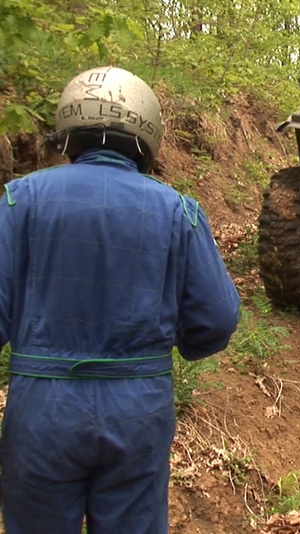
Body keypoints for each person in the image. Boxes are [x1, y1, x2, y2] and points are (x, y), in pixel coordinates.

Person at [0, 66, 241, 533]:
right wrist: (182, 344)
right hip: (138, 406)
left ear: (68, 129)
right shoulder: (177, 211)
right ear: (147, 134)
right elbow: (218, 317)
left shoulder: (20, 201)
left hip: (42, 407)